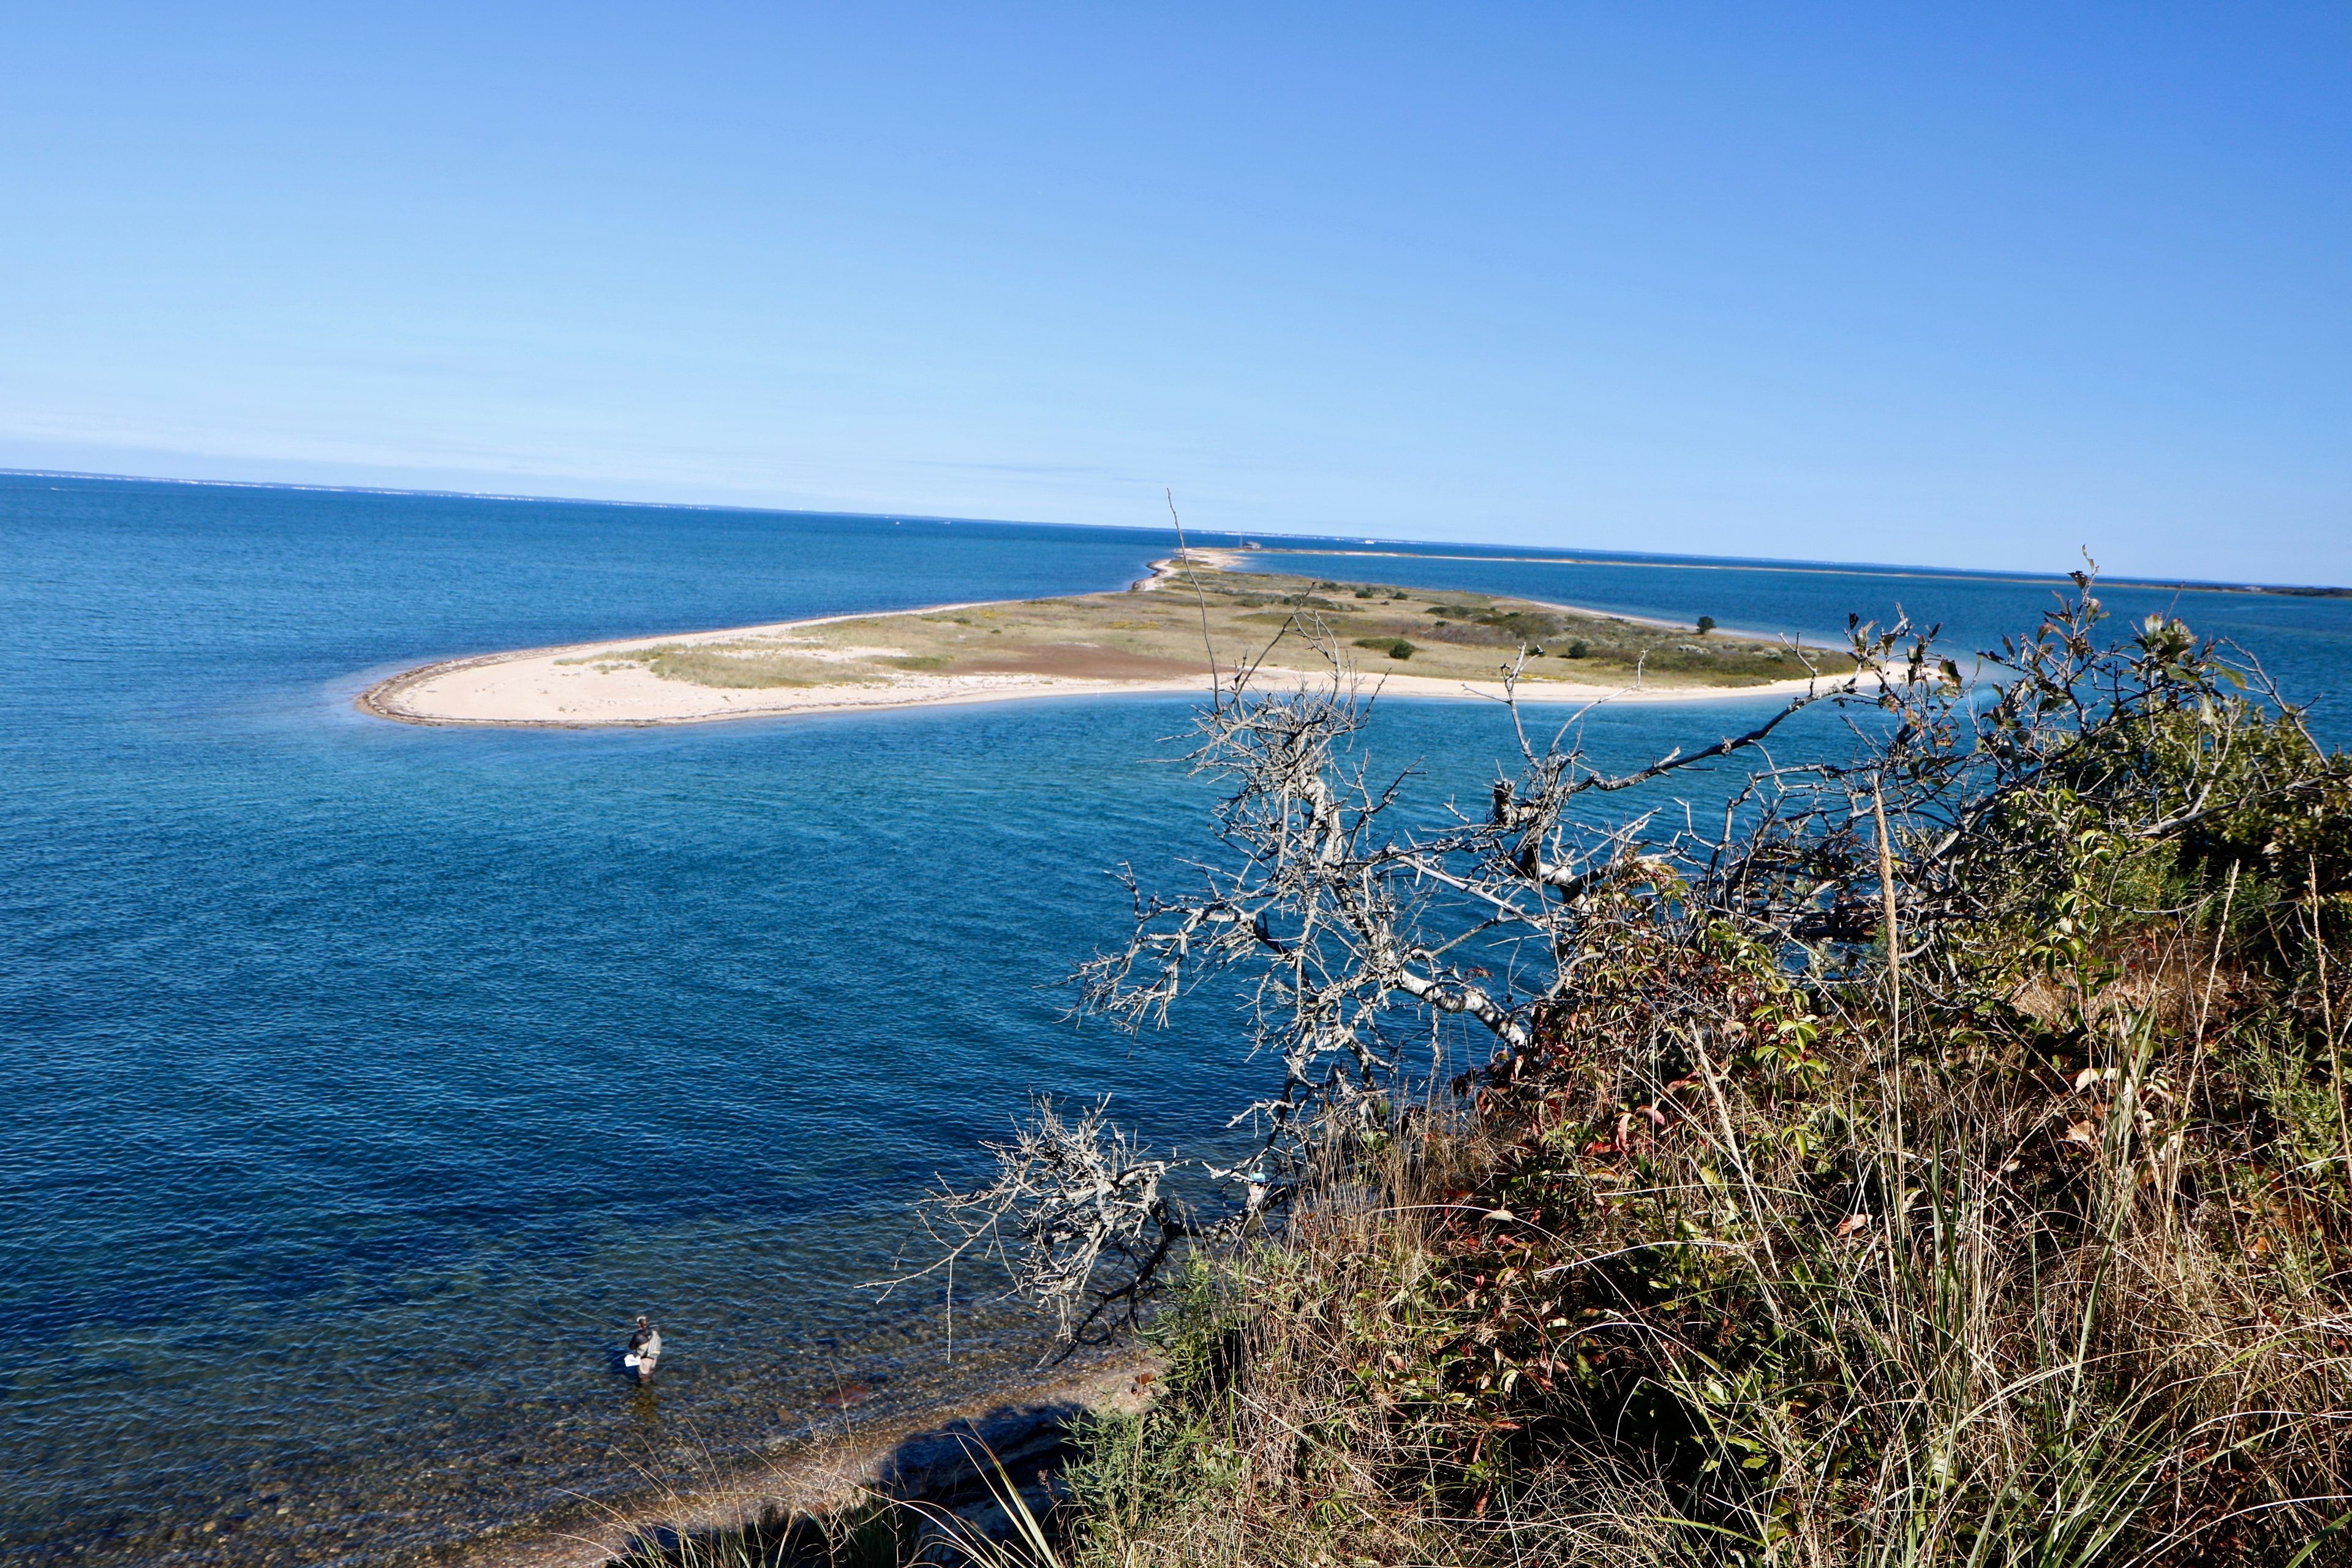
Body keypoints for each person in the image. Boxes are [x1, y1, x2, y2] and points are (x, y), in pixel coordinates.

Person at [625, 1315, 662, 1383]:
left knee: (643, 1376)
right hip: (654, 1356)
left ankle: (645, 1391)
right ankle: (652, 1382)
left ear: (639, 1325)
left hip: (645, 1359)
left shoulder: (638, 1335)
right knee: (651, 1371)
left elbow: (631, 1347)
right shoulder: (654, 1332)